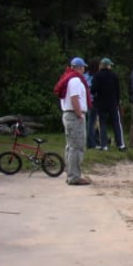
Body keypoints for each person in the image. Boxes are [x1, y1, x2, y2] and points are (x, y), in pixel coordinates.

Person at [57, 57, 92, 185]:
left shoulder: (67, 78)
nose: (84, 70)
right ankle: (74, 176)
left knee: (71, 146)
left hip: (69, 114)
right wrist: (79, 114)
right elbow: (75, 98)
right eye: (83, 67)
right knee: (77, 146)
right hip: (74, 115)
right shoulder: (76, 80)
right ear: (80, 67)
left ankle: (71, 174)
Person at [91, 57, 126, 151]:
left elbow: (93, 90)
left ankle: (104, 145)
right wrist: (118, 100)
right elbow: (118, 90)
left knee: (102, 124)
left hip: (101, 103)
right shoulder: (114, 75)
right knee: (116, 123)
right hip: (113, 103)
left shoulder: (97, 76)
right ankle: (121, 145)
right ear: (108, 66)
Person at [84, 58, 100, 149]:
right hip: (94, 101)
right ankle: (91, 142)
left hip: (87, 101)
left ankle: (95, 140)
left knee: (93, 121)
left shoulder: (85, 76)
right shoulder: (95, 77)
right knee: (92, 122)